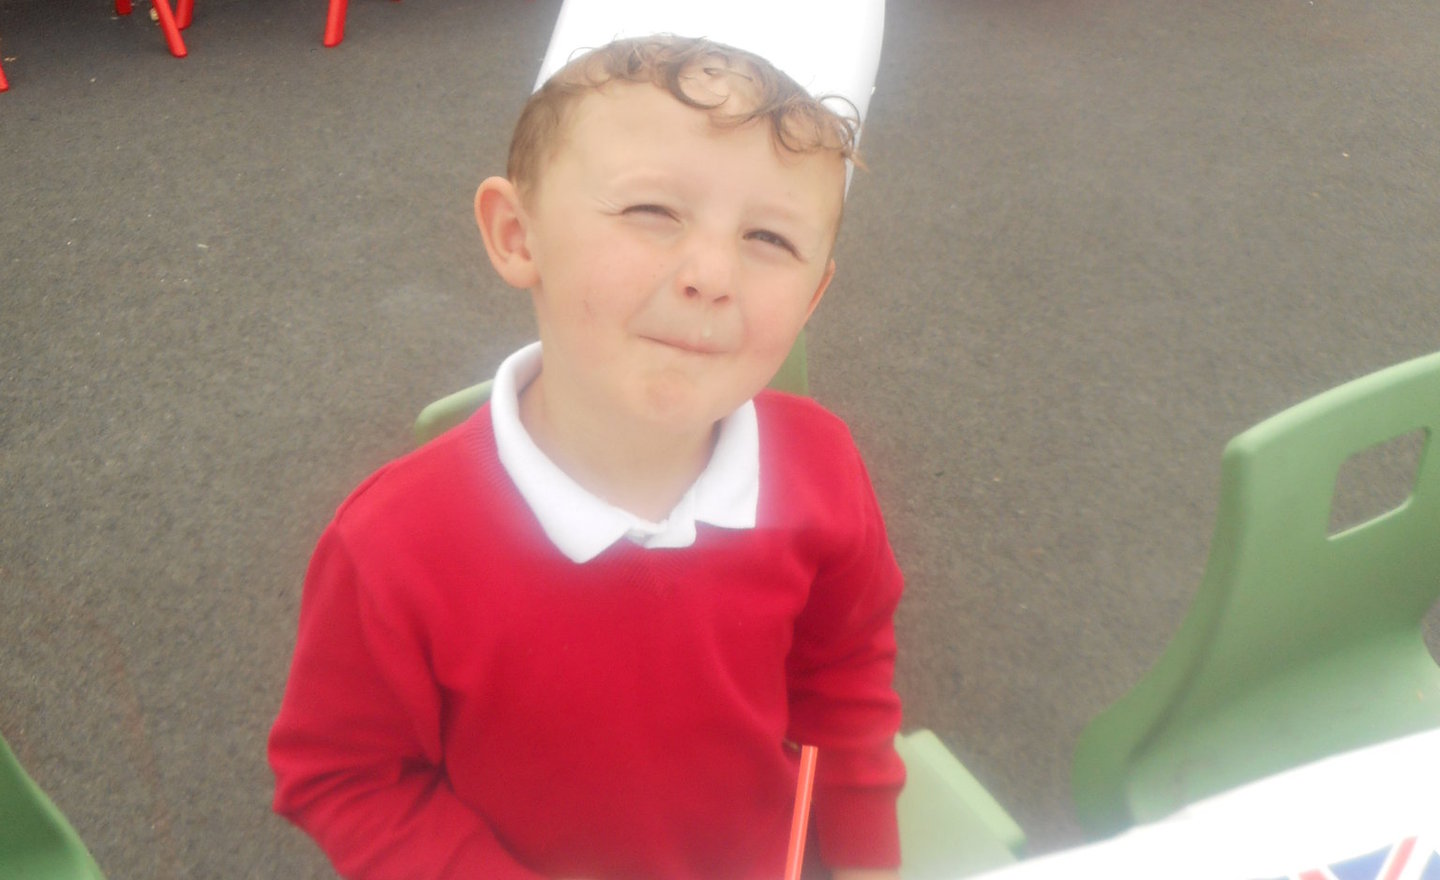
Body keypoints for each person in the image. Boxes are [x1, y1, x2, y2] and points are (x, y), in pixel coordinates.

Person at [268, 35, 906, 880]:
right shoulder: (392, 547)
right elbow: (345, 776)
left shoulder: (822, 465)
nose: (713, 273)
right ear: (516, 234)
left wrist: (866, 858)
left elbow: (843, 678)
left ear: (815, 294)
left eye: (771, 239)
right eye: (652, 212)